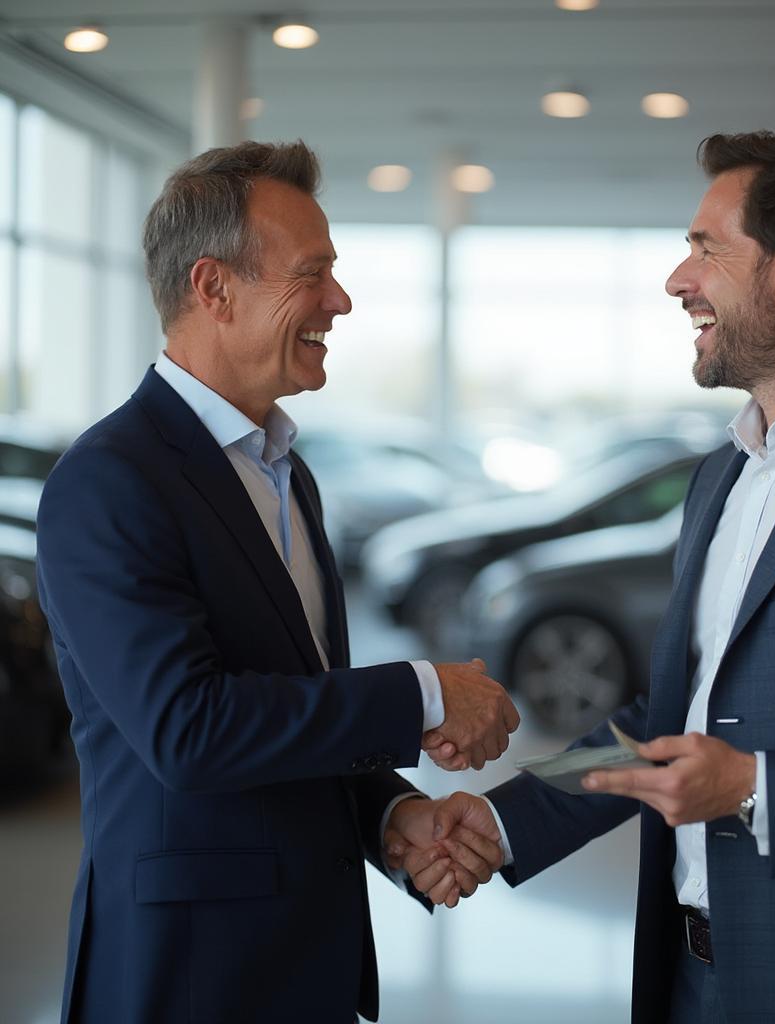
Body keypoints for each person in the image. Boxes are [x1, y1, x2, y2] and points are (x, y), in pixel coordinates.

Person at [391, 131, 775, 1023]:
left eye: (706, 248)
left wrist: (757, 787)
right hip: (693, 983)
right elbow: (669, 724)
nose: (678, 279)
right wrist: (502, 823)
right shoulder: (720, 475)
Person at [35, 140, 517, 1024]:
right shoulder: (109, 481)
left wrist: (389, 816)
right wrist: (423, 694)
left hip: (308, 964)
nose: (339, 301)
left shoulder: (288, 474)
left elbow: (297, 709)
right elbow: (190, 731)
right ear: (213, 287)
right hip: (184, 980)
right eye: (313, 274)